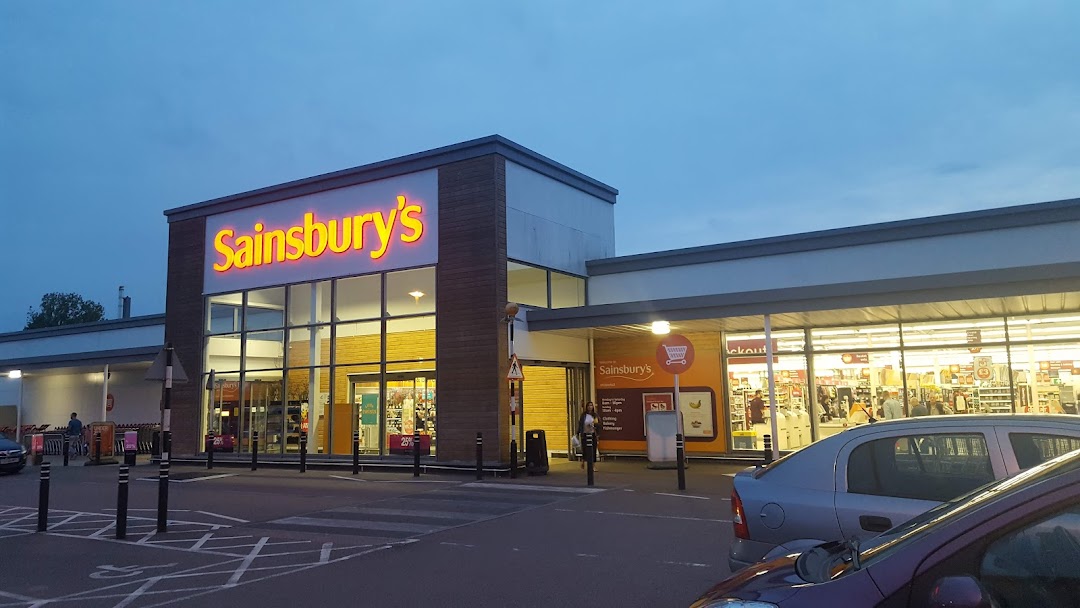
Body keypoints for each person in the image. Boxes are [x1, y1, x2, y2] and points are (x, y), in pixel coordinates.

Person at [577, 402, 600, 469]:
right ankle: (583, 461)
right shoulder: (583, 415)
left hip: (592, 434)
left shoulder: (595, 415)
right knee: (584, 449)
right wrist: (578, 433)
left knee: (593, 449)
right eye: (589, 405)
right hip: (585, 434)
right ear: (586, 407)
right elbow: (580, 424)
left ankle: (593, 465)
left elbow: (598, 424)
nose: (590, 407)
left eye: (591, 405)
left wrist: (594, 425)